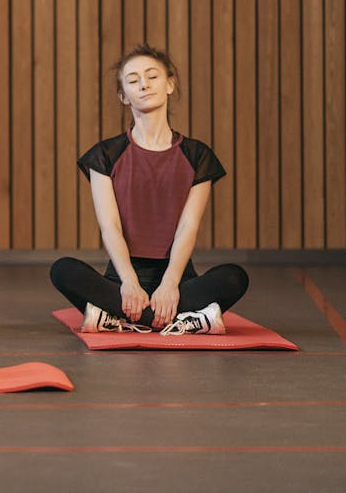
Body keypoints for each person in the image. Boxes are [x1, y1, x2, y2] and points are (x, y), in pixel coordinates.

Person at [50, 45, 249, 335]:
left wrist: (170, 285)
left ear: (169, 84)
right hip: (122, 278)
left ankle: (117, 319)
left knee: (235, 277)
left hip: (178, 277)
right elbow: (110, 227)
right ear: (123, 96)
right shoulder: (104, 155)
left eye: (152, 76)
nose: (143, 84)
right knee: (63, 270)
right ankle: (186, 320)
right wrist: (129, 283)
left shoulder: (197, 156)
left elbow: (188, 228)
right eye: (132, 80)